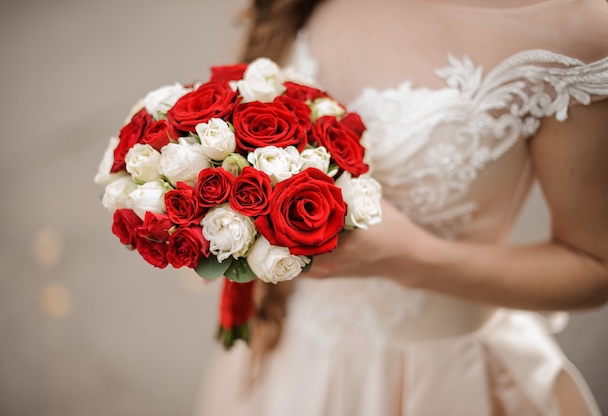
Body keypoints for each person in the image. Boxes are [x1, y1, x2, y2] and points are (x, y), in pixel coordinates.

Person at [196, 0, 608, 414]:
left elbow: (594, 265)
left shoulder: (573, 28)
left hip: (436, 381)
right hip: (282, 355)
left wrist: (411, 259)